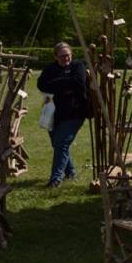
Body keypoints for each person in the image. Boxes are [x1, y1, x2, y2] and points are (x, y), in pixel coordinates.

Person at [37, 42, 88, 187]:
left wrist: (55, 85)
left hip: (75, 112)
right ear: (55, 57)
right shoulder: (50, 69)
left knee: (61, 143)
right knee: (57, 144)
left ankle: (56, 179)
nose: (66, 58)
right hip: (54, 114)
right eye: (62, 56)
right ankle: (70, 172)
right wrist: (65, 85)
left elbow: (78, 82)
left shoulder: (78, 66)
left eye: (68, 55)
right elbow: (41, 85)